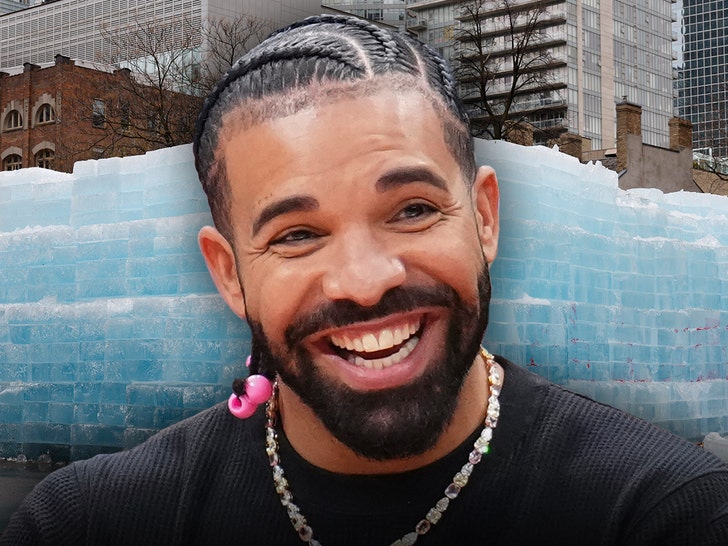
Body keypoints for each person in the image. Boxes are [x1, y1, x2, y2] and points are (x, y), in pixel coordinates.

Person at [3, 14, 728, 545]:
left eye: (412, 210)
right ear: (230, 274)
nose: (365, 281)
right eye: (296, 234)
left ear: (483, 218)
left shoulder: (668, 516)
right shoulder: (88, 525)